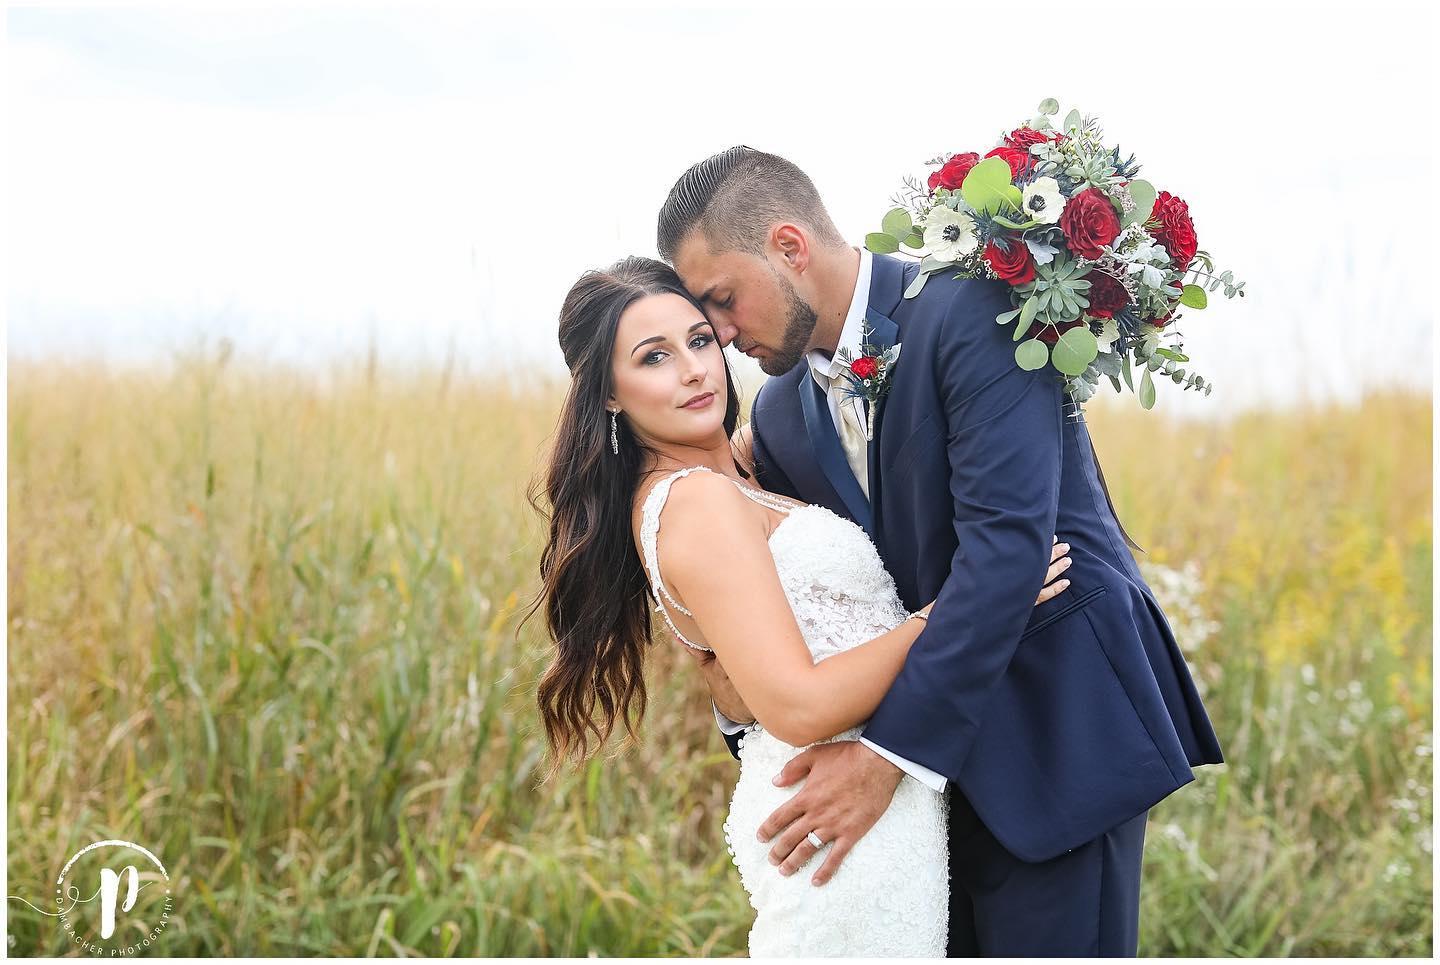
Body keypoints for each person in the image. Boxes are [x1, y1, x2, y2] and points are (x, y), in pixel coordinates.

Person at [654, 146, 1225, 957]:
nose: (717, 331)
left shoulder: (974, 310)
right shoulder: (779, 417)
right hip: (919, 812)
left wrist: (886, 757)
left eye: (721, 298)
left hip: (1052, 729)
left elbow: (1008, 554)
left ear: (788, 246)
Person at [529, 255, 1073, 956]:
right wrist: (965, 611)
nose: (694, 370)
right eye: (654, 357)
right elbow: (799, 705)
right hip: (833, 827)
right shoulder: (694, 503)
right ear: (608, 393)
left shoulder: (741, 470)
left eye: (700, 340)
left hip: (882, 817)